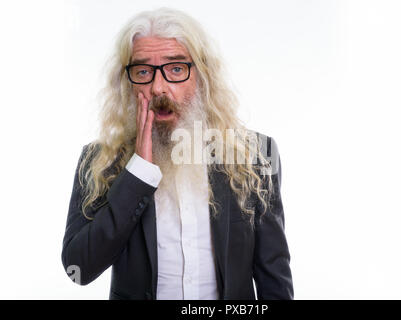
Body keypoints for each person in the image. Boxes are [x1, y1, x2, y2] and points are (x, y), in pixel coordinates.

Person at [61, 7, 293, 300]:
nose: (159, 87)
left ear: (203, 76)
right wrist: (138, 173)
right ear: (127, 82)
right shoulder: (100, 161)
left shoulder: (256, 156)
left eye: (175, 69)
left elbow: (275, 279)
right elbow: (78, 267)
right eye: (143, 71)